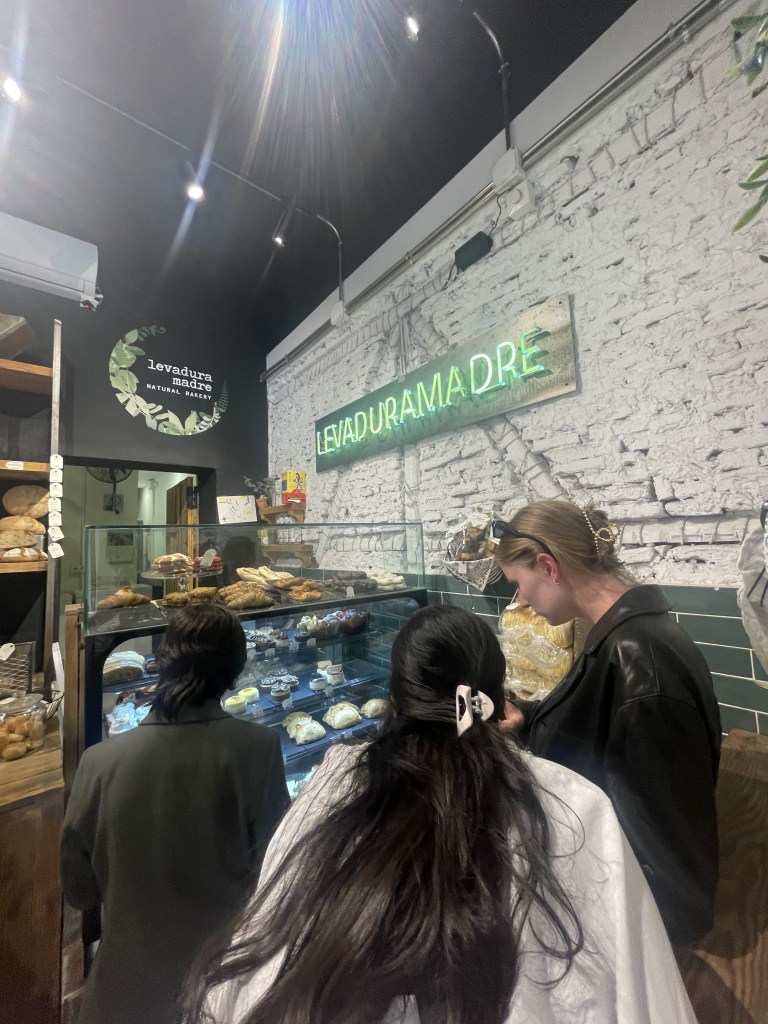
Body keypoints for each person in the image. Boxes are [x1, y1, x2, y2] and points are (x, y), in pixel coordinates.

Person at [179, 605, 697, 1024]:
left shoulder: (333, 784)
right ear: (496, 699)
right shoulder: (575, 802)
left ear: (396, 700)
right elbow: (645, 989)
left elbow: (265, 935)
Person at [493, 499, 721, 946]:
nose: (520, 600)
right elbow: (602, 730)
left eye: (519, 585)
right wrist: (528, 719)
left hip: (635, 927)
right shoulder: (625, 638)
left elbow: (675, 873)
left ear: (548, 567)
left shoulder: (643, 665)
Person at [61, 604, 289, 1024]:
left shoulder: (97, 762)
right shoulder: (260, 748)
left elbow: (81, 893)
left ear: (164, 663)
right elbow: (277, 873)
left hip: (122, 995)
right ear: (235, 669)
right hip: (221, 989)